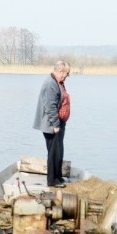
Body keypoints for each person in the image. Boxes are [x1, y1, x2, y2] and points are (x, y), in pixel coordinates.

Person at [33, 60, 72, 188]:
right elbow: (50, 106)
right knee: (53, 152)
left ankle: (58, 176)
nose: (67, 76)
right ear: (60, 71)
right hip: (51, 125)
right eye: (66, 73)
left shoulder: (57, 82)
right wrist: (56, 125)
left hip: (58, 123)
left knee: (59, 150)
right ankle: (52, 180)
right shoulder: (51, 84)